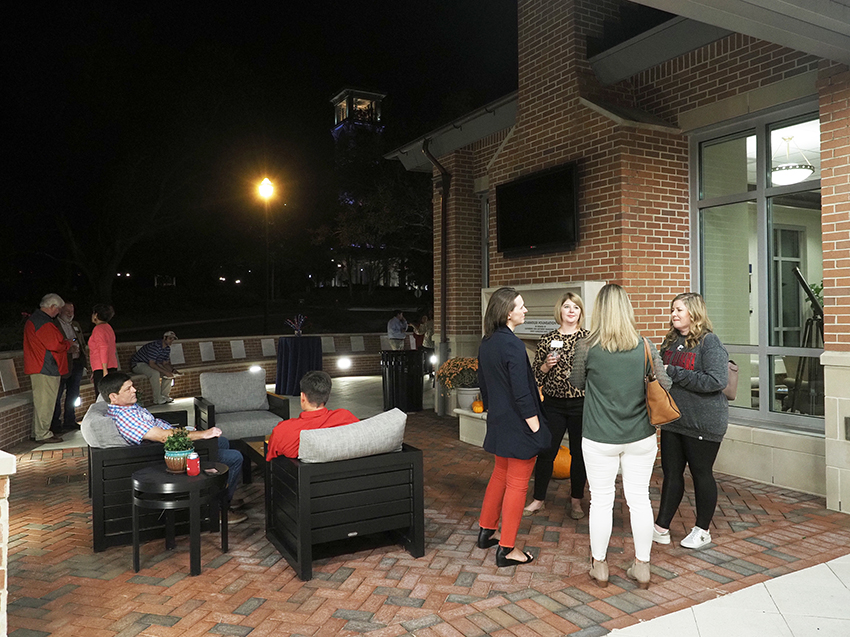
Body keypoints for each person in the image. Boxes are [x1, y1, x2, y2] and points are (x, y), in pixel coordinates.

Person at [569, 283, 671, 589]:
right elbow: (664, 383)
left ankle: (599, 566)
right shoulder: (645, 345)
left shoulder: (586, 347)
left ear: (599, 311)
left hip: (599, 435)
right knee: (639, 499)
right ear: (627, 309)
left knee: (601, 501)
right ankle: (642, 567)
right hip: (640, 435)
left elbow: (576, 383)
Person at [99, 372, 247, 524]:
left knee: (221, 442)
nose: (134, 390)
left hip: (171, 448)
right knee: (234, 457)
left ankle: (221, 497)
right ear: (113, 397)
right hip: (168, 457)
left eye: (132, 386)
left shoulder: (129, 408)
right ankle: (218, 510)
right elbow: (163, 437)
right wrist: (202, 434)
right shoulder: (125, 418)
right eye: (128, 389)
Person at [476, 287, 551, 567]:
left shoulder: (487, 342)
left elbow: (483, 385)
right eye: (521, 306)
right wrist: (535, 427)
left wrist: (493, 413)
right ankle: (507, 549)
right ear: (508, 312)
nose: (525, 310)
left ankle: (486, 531)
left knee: (499, 475)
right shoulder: (513, 345)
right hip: (519, 425)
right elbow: (522, 393)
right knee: (517, 486)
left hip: (498, 421)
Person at [653, 293, 729, 550]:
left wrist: (673, 372)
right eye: (672, 310)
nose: (674, 314)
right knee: (671, 474)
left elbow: (717, 381)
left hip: (703, 423)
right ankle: (661, 527)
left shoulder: (710, 342)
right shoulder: (671, 342)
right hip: (674, 419)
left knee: (701, 474)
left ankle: (702, 530)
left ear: (693, 313)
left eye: (679, 310)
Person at [525, 292, 589, 520]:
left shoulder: (588, 339)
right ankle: (538, 499)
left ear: (581, 312)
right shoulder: (546, 339)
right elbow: (534, 378)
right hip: (552, 404)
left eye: (576, 307)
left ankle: (576, 501)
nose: (571, 311)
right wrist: (545, 367)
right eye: (567, 306)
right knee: (546, 452)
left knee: (578, 454)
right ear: (559, 311)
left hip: (580, 404)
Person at [266, 371, 359, 460]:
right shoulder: (346, 417)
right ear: (327, 395)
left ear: (303, 397)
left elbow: (271, 456)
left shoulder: (284, 430)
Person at [24, 293, 72, 443]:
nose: (59, 312)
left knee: (42, 402)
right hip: (45, 367)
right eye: (58, 309)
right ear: (52, 307)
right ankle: (43, 434)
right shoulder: (43, 322)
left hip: (40, 366)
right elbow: (55, 344)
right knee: (46, 402)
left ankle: (37, 432)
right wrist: (68, 344)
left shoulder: (36, 320)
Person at [51, 301, 88, 435]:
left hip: (77, 363)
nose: (70, 314)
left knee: (73, 393)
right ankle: (55, 423)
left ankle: (70, 420)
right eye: (67, 311)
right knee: (58, 394)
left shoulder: (75, 325)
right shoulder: (54, 325)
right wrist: (70, 344)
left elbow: (80, 341)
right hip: (62, 364)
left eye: (72, 311)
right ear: (60, 311)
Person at [130, 331, 180, 405]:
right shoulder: (155, 346)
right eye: (170, 338)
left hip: (150, 364)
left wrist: (172, 371)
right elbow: (152, 364)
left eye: (173, 339)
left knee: (169, 374)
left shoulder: (167, 349)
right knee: (155, 373)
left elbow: (165, 363)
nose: (171, 341)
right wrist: (165, 372)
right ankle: (157, 399)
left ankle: (165, 396)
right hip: (138, 364)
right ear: (164, 338)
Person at [88, 304, 117, 398]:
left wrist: (104, 370)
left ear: (96, 315)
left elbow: (103, 348)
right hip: (110, 365)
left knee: (102, 396)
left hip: (102, 368)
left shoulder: (98, 329)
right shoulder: (108, 327)